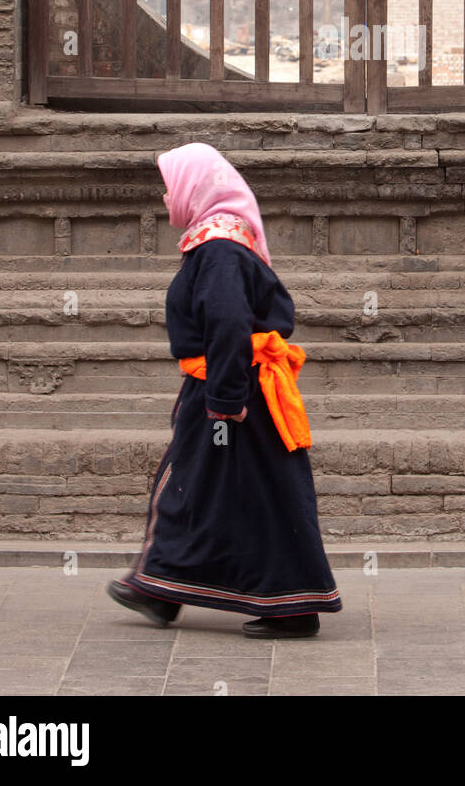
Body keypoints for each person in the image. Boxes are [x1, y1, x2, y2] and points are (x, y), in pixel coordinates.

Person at [108, 141, 341, 638]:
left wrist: (224, 401)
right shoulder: (223, 243)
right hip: (237, 390)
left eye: (172, 184)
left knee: (198, 486)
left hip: (233, 394)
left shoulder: (218, 249)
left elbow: (228, 323)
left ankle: (285, 605)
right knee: (217, 490)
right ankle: (163, 587)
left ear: (196, 187)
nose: (168, 194)